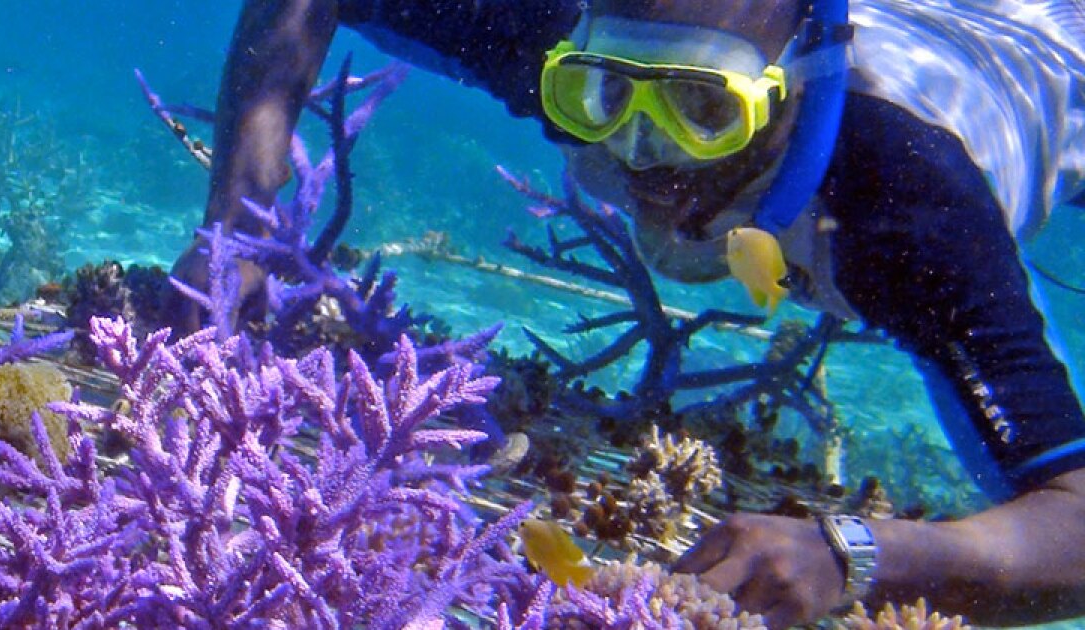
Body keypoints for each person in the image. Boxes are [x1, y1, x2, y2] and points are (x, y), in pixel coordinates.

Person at [168, 0, 1085, 626]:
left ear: (797, 81)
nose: (649, 160)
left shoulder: (907, 205)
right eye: (602, 96)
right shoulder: (563, 35)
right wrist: (239, 225)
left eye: (703, 109)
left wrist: (860, 554)